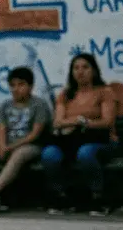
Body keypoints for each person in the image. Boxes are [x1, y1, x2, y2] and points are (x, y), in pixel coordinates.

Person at [43, 53, 118, 216]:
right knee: (49, 154)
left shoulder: (104, 92)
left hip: (102, 141)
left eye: (85, 67)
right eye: (76, 68)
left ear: (94, 70)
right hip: (71, 140)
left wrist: (78, 122)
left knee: (85, 153)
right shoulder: (66, 94)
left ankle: (98, 196)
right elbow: (57, 122)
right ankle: (61, 196)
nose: (80, 71)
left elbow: (107, 122)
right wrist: (80, 120)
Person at [0, 67, 51, 213]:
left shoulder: (39, 105)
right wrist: (2, 147)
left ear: (30, 86)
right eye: (12, 85)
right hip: (8, 145)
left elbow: (35, 134)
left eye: (21, 85)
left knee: (19, 154)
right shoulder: (5, 106)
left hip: (31, 146)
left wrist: (11, 147)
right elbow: (1, 129)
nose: (16, 89)